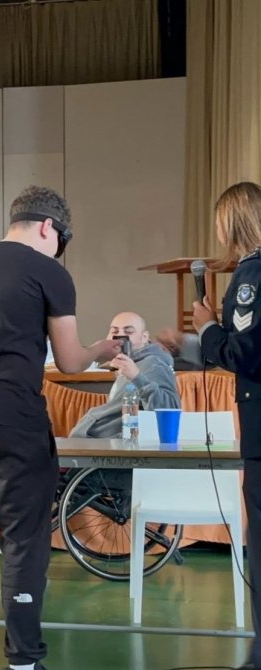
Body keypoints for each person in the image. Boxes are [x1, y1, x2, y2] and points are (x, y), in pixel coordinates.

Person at [0, 185, 122, 670]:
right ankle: (22, 659)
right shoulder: (49, 272)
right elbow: (71, 361)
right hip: (12, 415)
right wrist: (103, 348)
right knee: (22, 539)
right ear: (48, 228)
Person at [157, 181, 261, 670]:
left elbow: (246, 353)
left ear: (231, 224)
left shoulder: (250, 276)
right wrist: (193, 344)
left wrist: (207, 325)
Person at [69, 311, 180, 438]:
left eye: (128, 332)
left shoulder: (154, 364)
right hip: (95, 437)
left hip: (116, 443)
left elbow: (170, 411)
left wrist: (136, 377)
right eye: (114, 331)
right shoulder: (128, 362)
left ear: (144, 337)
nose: (120, 336)